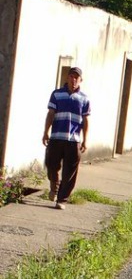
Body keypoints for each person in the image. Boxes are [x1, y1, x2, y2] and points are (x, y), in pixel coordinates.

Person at [42, 67, 91, 210]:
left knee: (70, 171)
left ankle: (62, 199)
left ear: (81, 80)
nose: (74, 80)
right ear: (67, 78)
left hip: (74, 140)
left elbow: (85, 120)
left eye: (77, 77)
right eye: (71, 76)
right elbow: (51, 114)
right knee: (51, 165)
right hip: (56, 137)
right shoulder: (57, 94)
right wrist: (46, 132)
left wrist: (85, 139)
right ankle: (54, 186)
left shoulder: (84, 98)